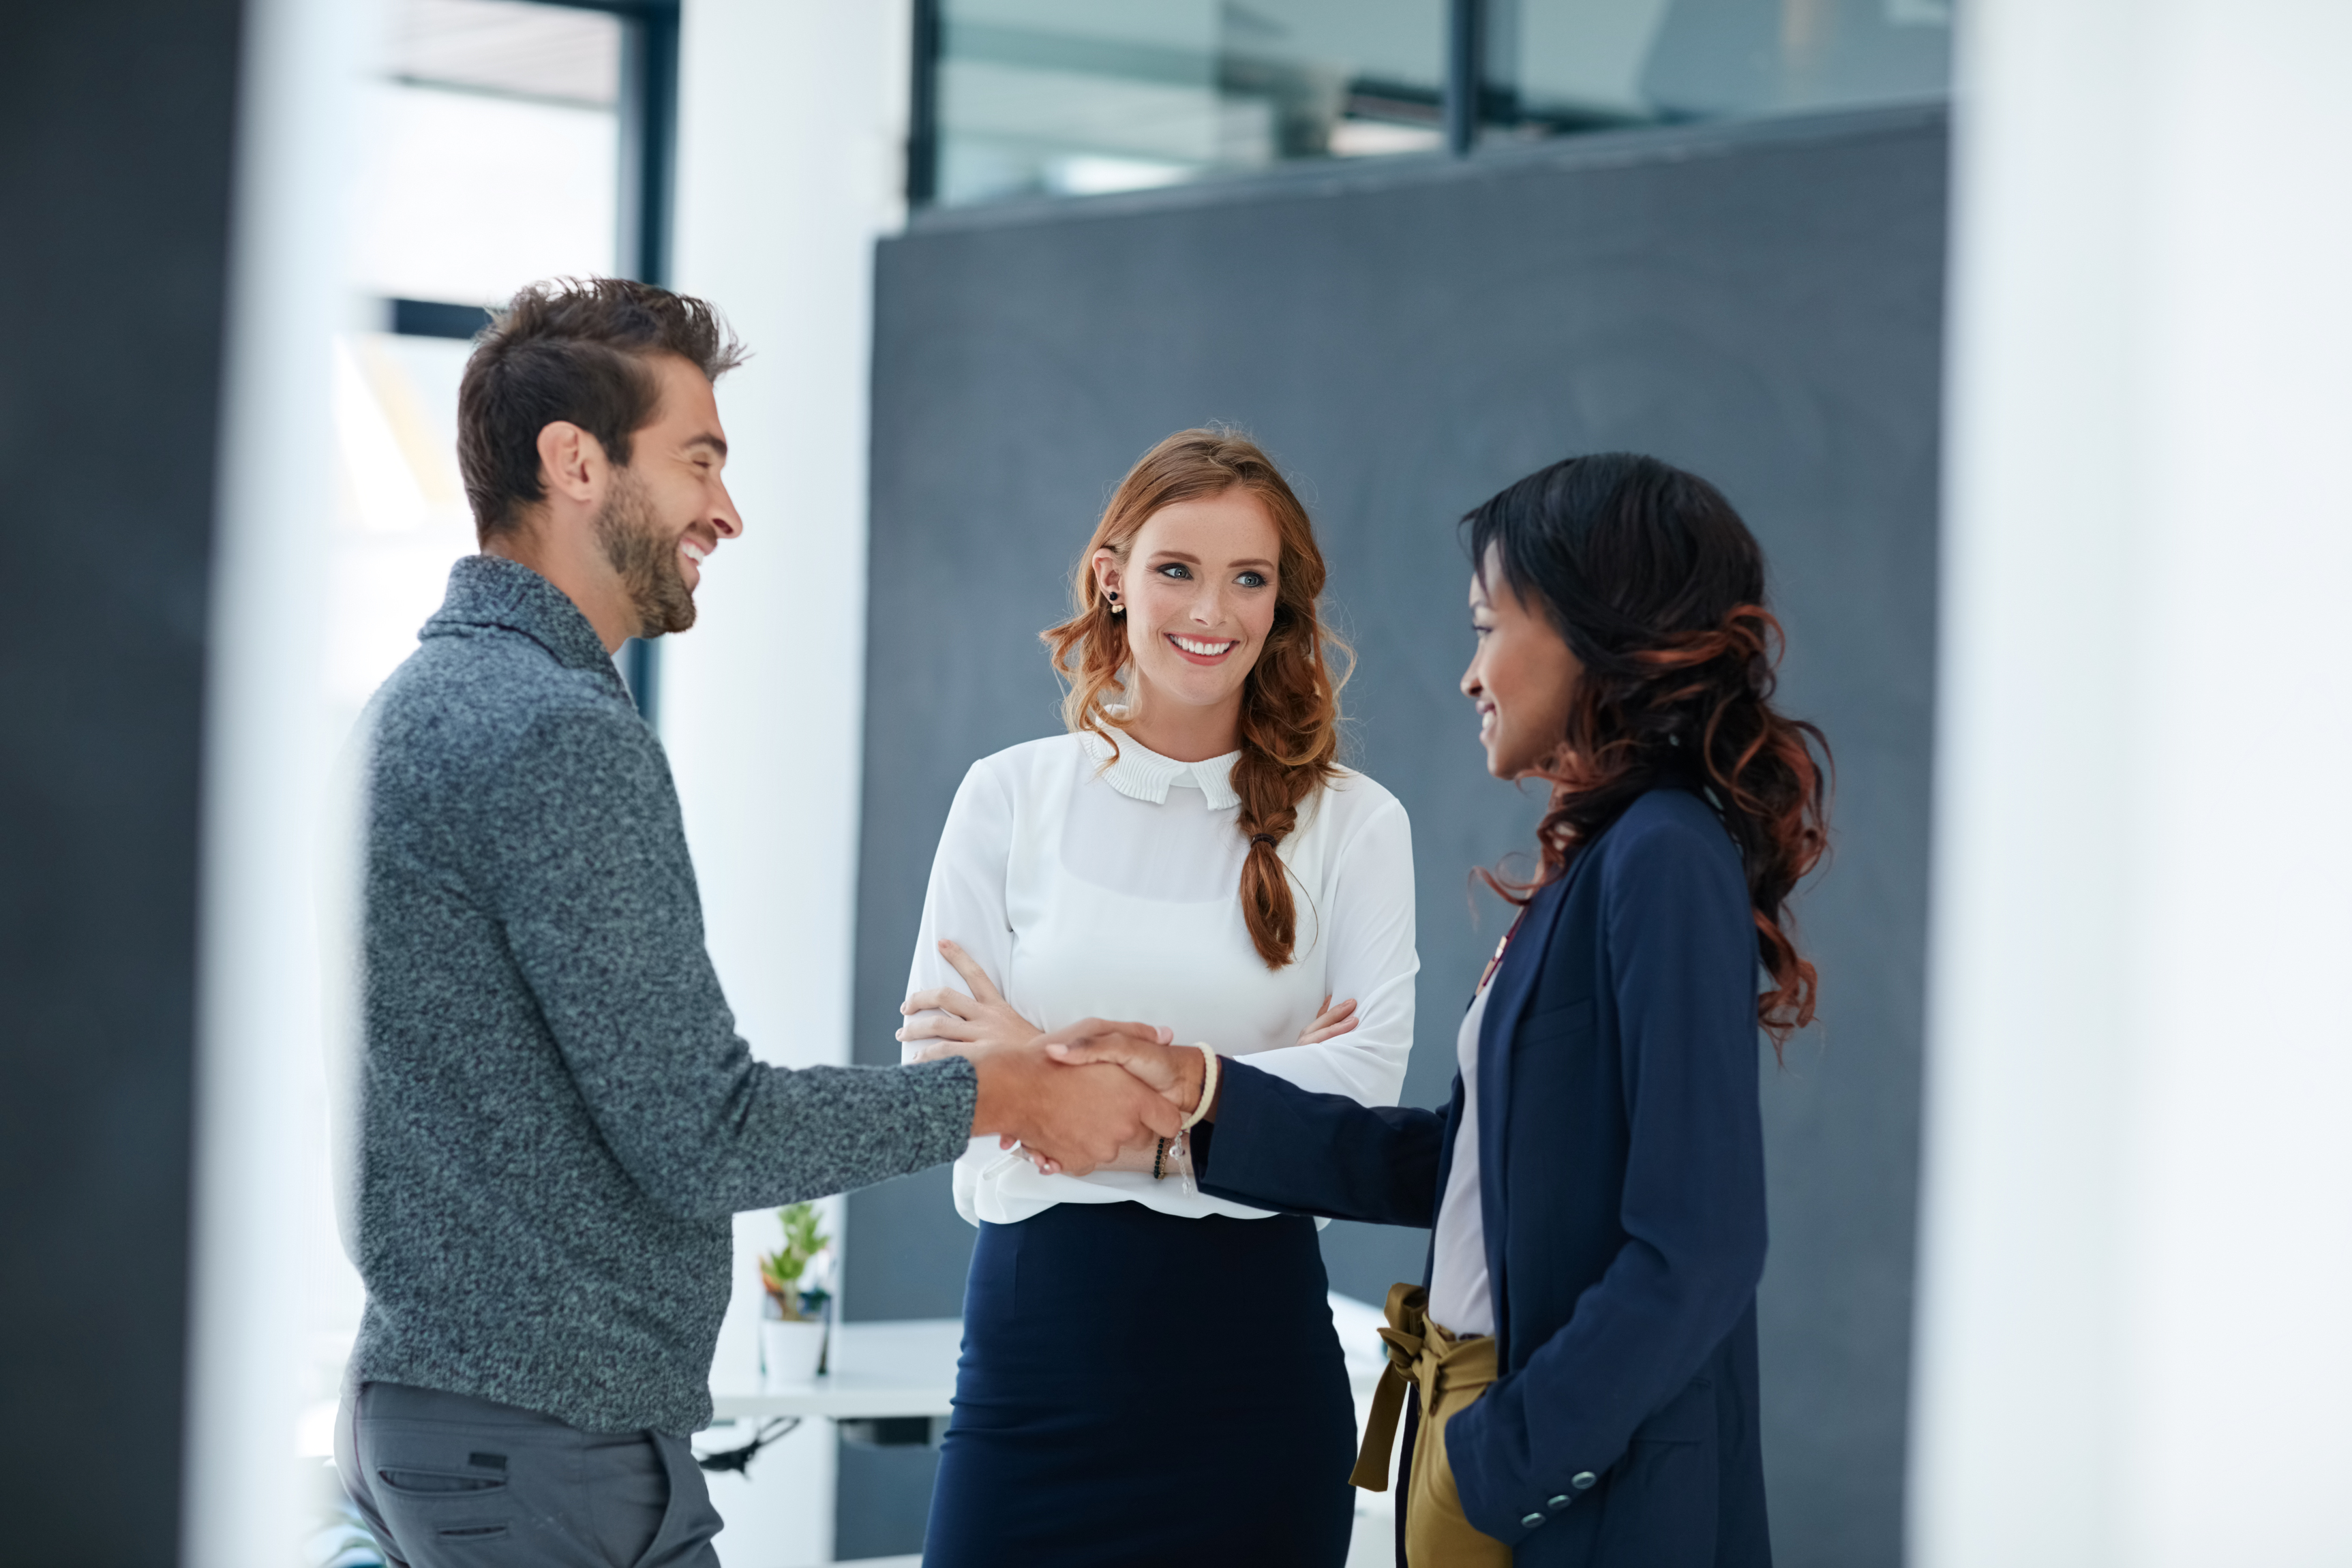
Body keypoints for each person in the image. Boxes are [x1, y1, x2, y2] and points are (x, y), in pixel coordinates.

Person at [333, 279, 1179, 1568]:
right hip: (542, 1445)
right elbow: (703, 1134)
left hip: (468, 1425)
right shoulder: (556, 734)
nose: (726, 512)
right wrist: (997, 1096)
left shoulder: (419, 702)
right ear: (574, 463)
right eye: (697, 460)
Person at [1052, 453, 1830, 1567]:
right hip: (1470, 1427)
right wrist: (1209, 1098)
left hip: (1547, 1474)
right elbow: (1469, 1168)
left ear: (1585, 636)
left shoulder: (1663, 857)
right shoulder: (1608, 865)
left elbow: (1700, 1245)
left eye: (1483, 628)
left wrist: (1499, 1457)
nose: (1469, 677)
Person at [894, 429, 1420, 1566]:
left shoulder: (1355, 824)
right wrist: (1239, 1099)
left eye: (1250, 578)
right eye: (1177, 568)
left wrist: (1048, 1073)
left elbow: (1362, 1102)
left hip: (1254, 1369)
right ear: (1112, 576)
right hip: (1039, 1358)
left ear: (1282, 605)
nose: (1211, 610)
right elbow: (942, 1073)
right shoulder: (1007, 798)